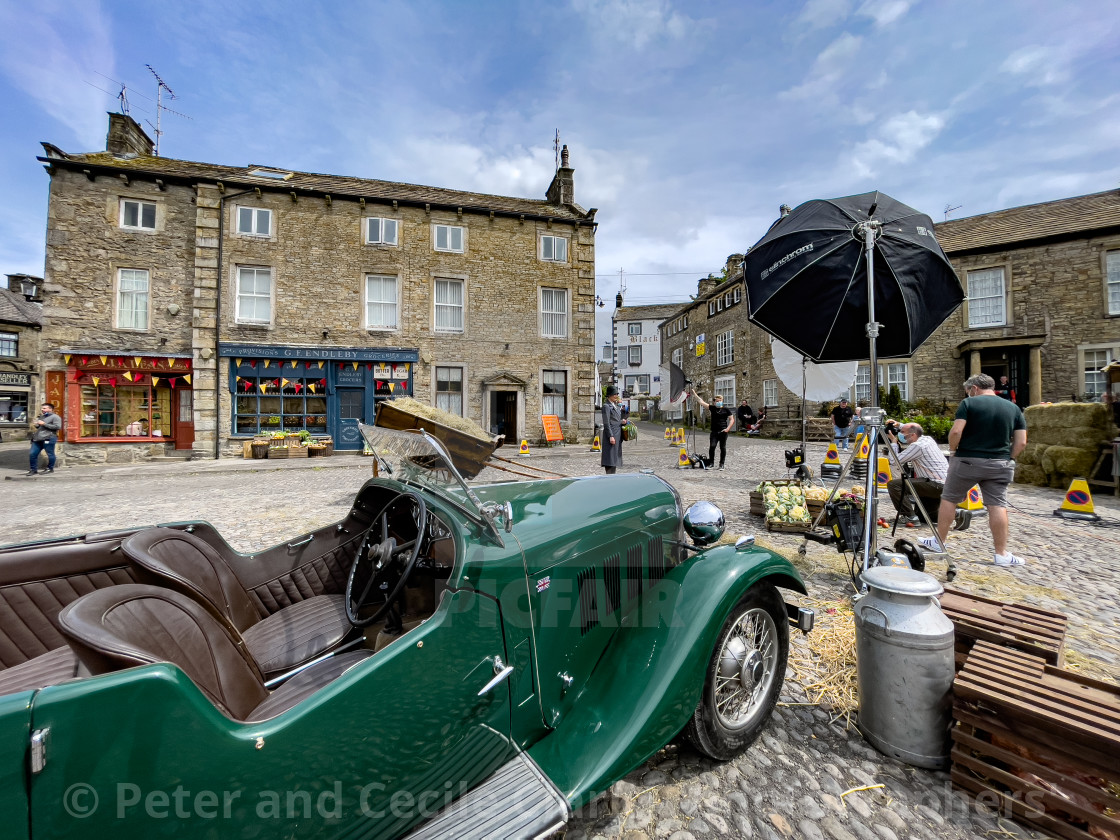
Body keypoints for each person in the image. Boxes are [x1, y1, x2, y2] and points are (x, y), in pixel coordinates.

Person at [922, 373, 1027, 566]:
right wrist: (1009, 457)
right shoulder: (1013, 408)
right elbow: (1021, 442)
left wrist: (953, 451)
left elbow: (955, 431)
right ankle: (1001, 554)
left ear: (974, 389)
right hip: (1000, 462)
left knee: (949, 499)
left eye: (967, 391)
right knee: (997, 505)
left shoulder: (969, 404)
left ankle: (940, 542)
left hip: (967, 459)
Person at [883, 422, 948, 524]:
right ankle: (957, 514)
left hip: (936, 485)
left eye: (902, 432)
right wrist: (898, 424)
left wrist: (894, 443)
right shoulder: (927, 439)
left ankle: (909, 517)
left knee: (894, 485)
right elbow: (916, 428)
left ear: (913, 435)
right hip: (944, 485)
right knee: (926, 518)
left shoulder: (918, 446)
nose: (900, 434)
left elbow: (894, 461)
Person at [690, 391, 735, 470]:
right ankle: (711, 463)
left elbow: (732, 419)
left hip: (723, 431)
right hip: (714, 431)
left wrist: (728, 429)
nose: (719, 402)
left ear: (722, 401)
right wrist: (694, 393)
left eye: (720, 401)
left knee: (722, 447)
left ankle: (721, 464)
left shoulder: (726, 410)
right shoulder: (712, 408)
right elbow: (701, 401)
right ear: (714, 402)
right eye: (717, 401)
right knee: (712, 446)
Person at [27, 402, 62, 476]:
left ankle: (50, 468)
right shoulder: (42, 417)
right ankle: (33, 470)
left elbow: (58, 427)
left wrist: (44, 424)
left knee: (50, 453)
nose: (42, 410)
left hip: (49, 438)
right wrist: (36, 425)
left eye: (44, 408)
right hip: (38, 438)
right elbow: (40, 427)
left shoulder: (55, 417)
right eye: (42, 408)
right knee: (32, 454)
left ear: (50, 409)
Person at [601, 385, 624, 474]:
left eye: (617, 394)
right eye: (615, 394)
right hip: (612, 435)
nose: (616, 396)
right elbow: (606, 422)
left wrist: (622, 421)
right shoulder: (606, 406)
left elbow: (617, 419)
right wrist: (610, 436)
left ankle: (612, 476)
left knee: (614, 458)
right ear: (610, 395)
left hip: (617, 435)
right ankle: (609, 477)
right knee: (610, 458)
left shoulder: (615, 406)